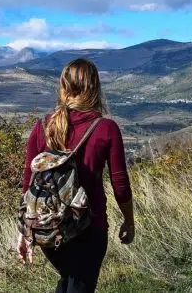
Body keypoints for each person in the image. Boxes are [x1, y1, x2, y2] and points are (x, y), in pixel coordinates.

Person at [17, 58, 135, 293]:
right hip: (89, 227)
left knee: (69, 281)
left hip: (50, 227)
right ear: (95, 87)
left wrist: (24, 231)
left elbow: (28, 184)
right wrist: (129, 221)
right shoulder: (105, 128)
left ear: (63, 87)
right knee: (78, 284)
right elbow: (119, 184)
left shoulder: (42, 126)